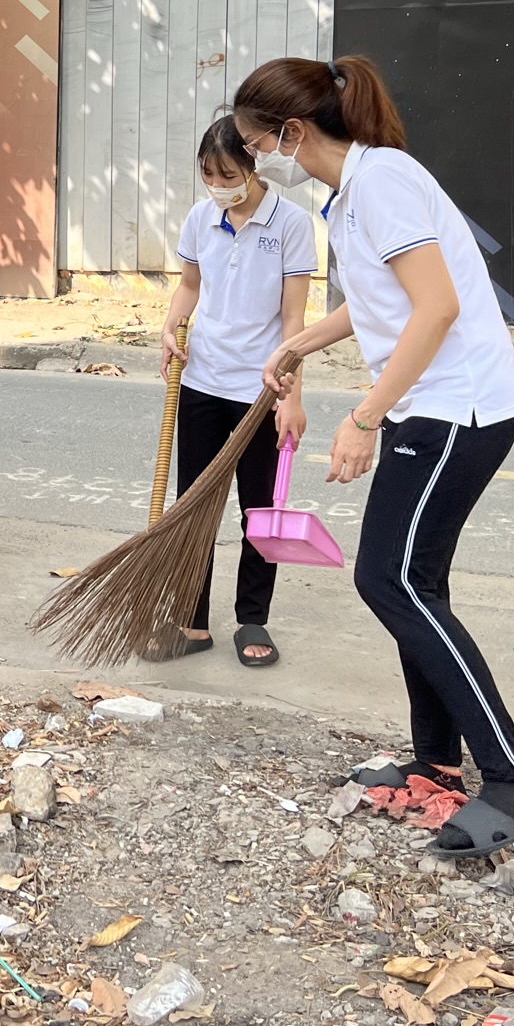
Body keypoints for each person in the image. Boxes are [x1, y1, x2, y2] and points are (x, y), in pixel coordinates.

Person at [233, 53, 514, 859]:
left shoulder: (381, 183)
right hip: (439, 407)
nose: (253, 161)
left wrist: (366, 416)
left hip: (457, 410)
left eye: (253, 145)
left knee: (388, 578)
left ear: (291, 130)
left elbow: (437, 306)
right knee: (414, 583)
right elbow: (381, 298)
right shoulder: (355, 193)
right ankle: (437, 762)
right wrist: (301, 340)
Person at [147, 115, 316, 667]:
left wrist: (291, 394)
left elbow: (295, 318)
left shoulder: (290, 224)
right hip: (202, 381)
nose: (218, 184)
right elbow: (191, 284)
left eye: (227, 173)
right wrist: (172, 325)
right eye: (208, 174)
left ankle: (251, 619)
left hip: (261, 389)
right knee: (193, 507)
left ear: (253, 166)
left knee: (258, 509)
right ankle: (193, 622)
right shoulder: (201, 218)